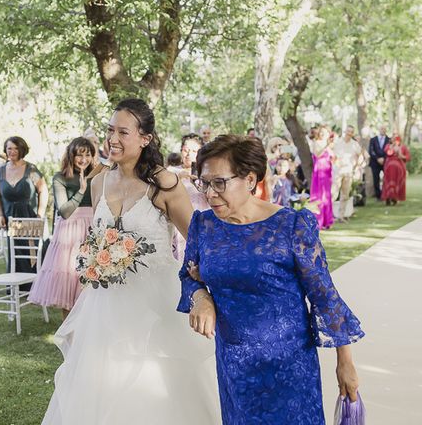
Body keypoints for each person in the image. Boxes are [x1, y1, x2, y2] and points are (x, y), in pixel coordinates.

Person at [41, 98, 220, 425]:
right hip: (105, 307)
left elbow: (197, 242)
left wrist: (204, 293)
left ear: (145, 138)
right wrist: (94, 259)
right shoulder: (98, 182)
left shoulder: (164, 183)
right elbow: (97, 237)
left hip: (155, 308)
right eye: (110, 130)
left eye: (123, 132)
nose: (113, 139)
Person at [178, 134, 364, 425]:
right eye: (204, 183)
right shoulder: (203, 226)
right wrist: (201, 297)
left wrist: (346, 362)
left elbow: (323, 294)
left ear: (250, 180)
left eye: (219, 183)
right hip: (234, 364)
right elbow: (187, 275)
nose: (210, 194)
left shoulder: (292, 226)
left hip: (289, 365)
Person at [28, 137, 98, 318]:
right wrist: (81, 190)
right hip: (70, 232)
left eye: (88, 155)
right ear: (71, 155)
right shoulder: (60, 178)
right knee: (69, 283)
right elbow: (65, 211)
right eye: (79, 155)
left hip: (91, 231)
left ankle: (87, 334)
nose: (84, 159)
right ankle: (68, 338)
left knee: (90, 285)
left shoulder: (97, 176)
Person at [0, 136, 48, 291]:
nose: (12, 151)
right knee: (14, 250)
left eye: (16, 148)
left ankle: (37, 286)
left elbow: (43, 190)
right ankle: (18, 285)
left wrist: (40, 214)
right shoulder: (1, 172)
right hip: (10, 217)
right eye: (9, 148)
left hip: (29, 216)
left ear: (22, 149)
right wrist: (0, 215)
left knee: (32, 251)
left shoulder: (31, 169)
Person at [168, 133, 209, 262]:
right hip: (178, 224)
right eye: (185, 150)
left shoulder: (206, 172)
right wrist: (179, 178)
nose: (188, 154)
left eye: (193, 151)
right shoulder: (170, 171)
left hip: (202, 222)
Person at [332, 125, 362, 221]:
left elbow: (360, 156)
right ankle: (329, 215)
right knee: (333, 194)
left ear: (353, 133)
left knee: (345, 195)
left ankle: (341, 216)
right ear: (345, 131)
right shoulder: (338, 142)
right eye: (348, 131)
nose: (349, 133)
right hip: (338, 171)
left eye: (351, 132)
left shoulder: (355, 144)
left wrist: (356, 166)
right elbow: (333, 157)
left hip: (349, 172)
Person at [310, 125, 335, 229]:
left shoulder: (329, 145)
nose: (322, 134)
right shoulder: (317, 143)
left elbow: (333, 158)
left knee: (327, 195)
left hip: (327, 170)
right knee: (320, 195)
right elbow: (318, 154)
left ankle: (327, 221)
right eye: (321, 132)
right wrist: (326, 146)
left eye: (325, 132)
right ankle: (318, 220)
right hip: (319, 170)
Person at [381, 134, 410, 206]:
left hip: (399, 168)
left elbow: (408, 157)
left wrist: (401, 155)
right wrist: (392, 147)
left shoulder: (403, 147)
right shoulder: (388, 146)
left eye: (396, 139)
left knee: (398, 182)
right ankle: (388, 197)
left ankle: (395, 198)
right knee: (388, 182)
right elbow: (387, 152)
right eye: (393, 139)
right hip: (389, 168)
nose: (394, 140)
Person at [368, 125, 390, 200]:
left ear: (386, 130)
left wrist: (384, 158)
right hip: (375, 163)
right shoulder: (373, 139)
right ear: (379, 129)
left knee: (387, 179)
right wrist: (378, 158)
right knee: (376, 180)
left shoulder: (389, 140)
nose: (383, 130)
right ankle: (378, 196)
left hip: (386, 162)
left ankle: (386, 194)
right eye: (381, 129)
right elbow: (371, 151)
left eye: (384, 129)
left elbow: (390, 151)